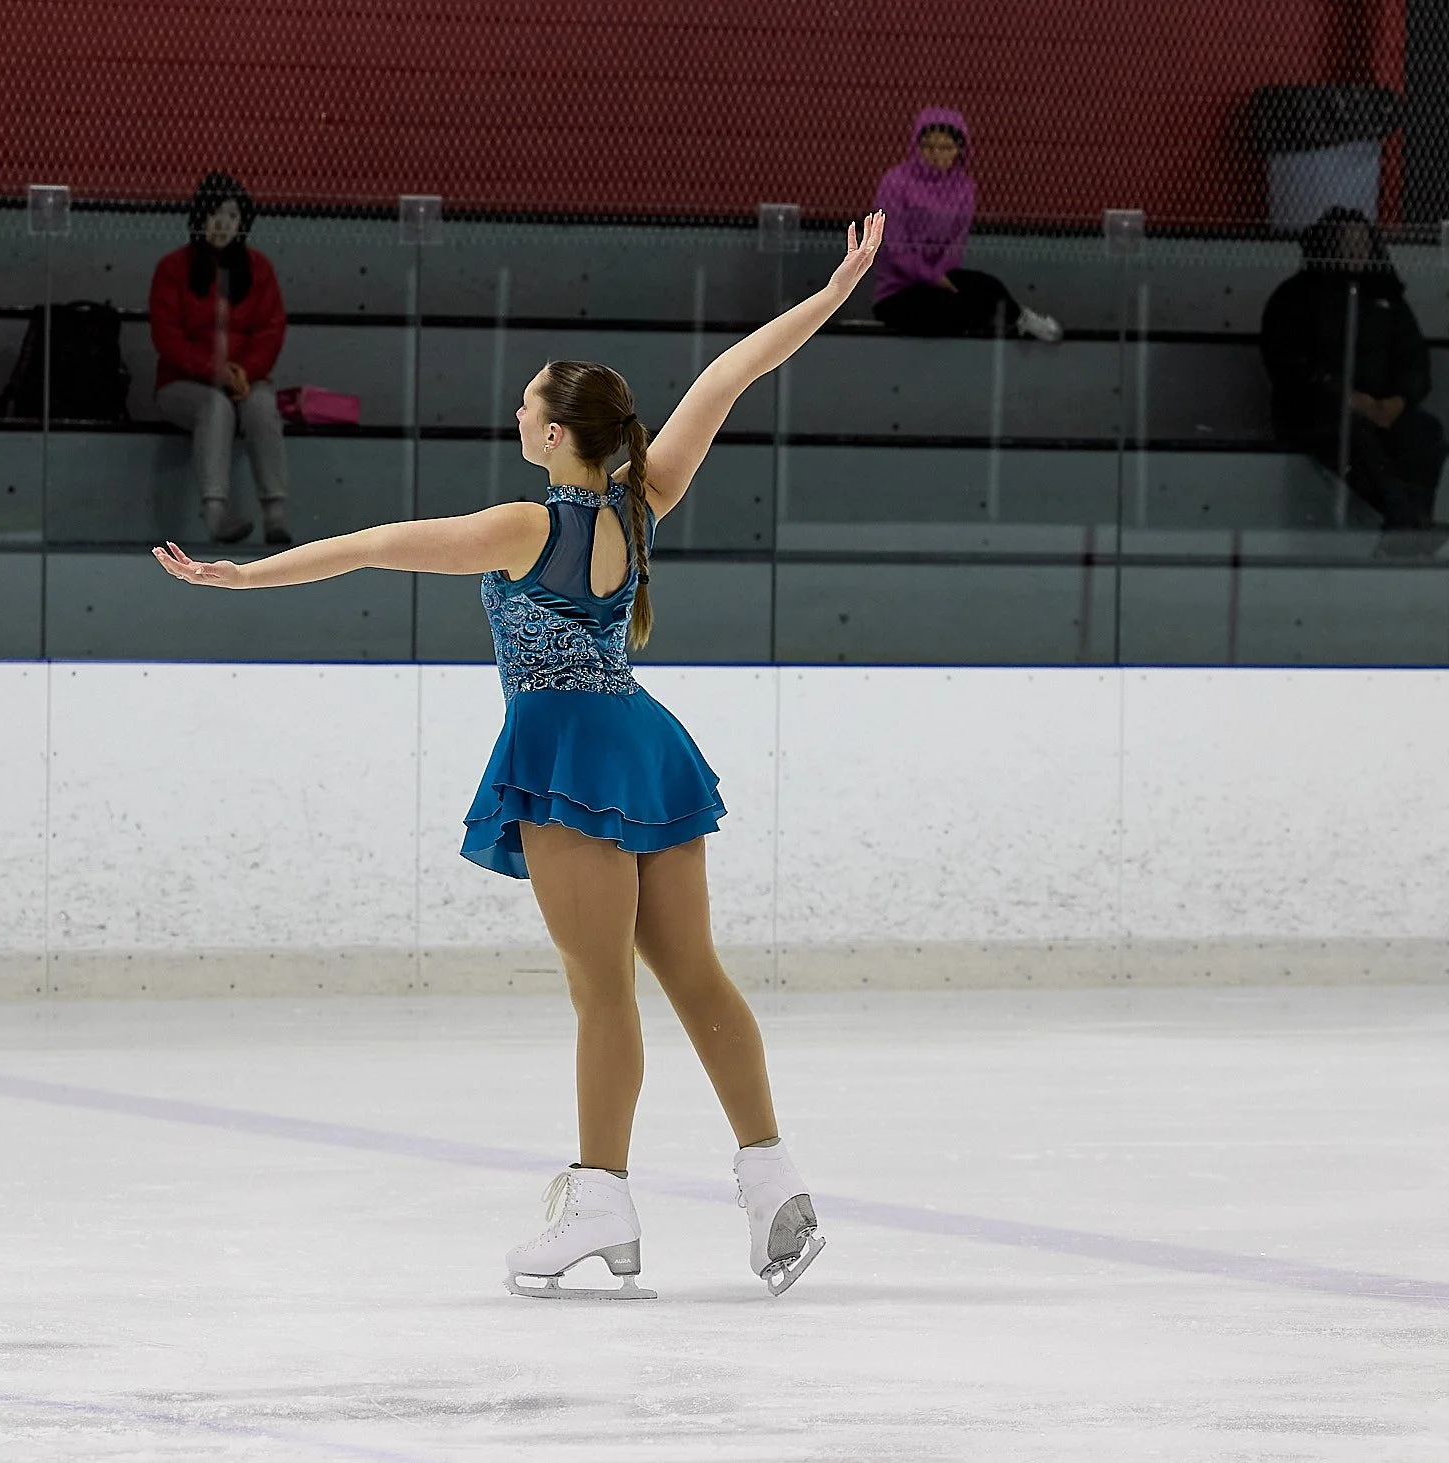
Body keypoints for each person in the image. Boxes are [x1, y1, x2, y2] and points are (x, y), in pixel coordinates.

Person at [155, 212, 890, 1301]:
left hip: (564, 753)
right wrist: (831, 294)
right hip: (643, 741)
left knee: (602, 993)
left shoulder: (524, 526)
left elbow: (373, 547)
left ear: (553, 435)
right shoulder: (644, 500)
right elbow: (731, 375)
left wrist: (244, 576)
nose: (515, 412)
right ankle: (772, 1183)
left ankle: (601, 1201)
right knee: (693, 976)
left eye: (527, 403)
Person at [1261, 207, 1449, 554]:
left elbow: (1414, 360)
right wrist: (1344, 396)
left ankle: (1416, 520)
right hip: (1318, 412)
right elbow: (1287, 363)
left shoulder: (1387, 298)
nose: (1356, 251)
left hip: (1381, 411)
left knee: (1424, 431)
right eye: (1346, 243)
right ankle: (1402, 522)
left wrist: (1398, 400)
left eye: (1363, 243)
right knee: (1355, 437)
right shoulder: (1296, 297)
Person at [149, 171, 292, 546]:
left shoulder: (260, 269)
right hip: (183, 385)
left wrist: (245, 372)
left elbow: (271, 330)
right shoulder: (172, 268)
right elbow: (167, 337)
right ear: (199, 217)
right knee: (215, 407)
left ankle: (275, 513)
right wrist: (215, 372)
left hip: (245, 380)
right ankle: (215, 512)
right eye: (215, 214)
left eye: (232, 215)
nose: (223, 223)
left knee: (262, 406)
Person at [869, 106, 1061, 342]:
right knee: (951, 309)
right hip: (899, 290)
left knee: (987, 287)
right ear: (916, 146)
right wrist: (933, 277)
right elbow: (896, 247)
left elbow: (956, 244)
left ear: (959, 149)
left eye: (945, 147)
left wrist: (944, 275)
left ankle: (1022, 319)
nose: (936, 154)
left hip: (943, 278)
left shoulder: (964, 188)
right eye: (928, 146)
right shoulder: (895, 182)